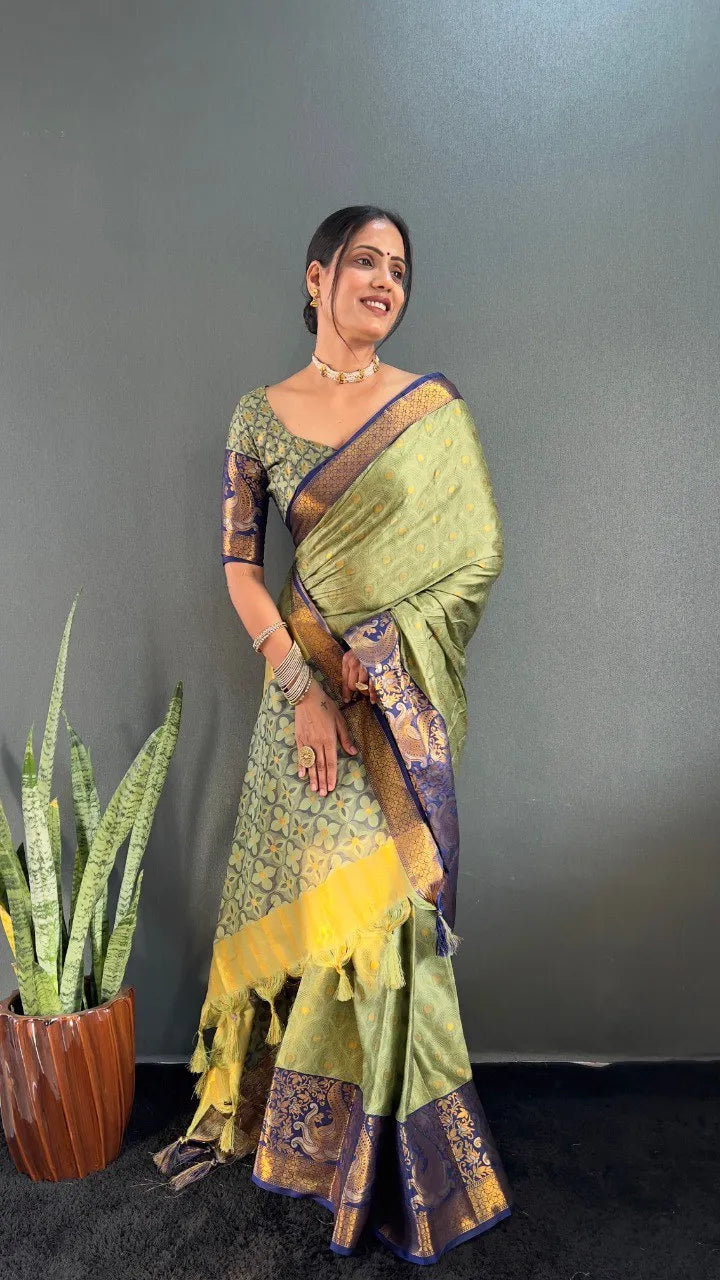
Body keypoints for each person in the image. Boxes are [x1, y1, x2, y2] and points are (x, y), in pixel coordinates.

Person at [153, 205, 514, 1264]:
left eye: (398, 268)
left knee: (389, 925)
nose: (384, 281)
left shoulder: (430, 410)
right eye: (364, 261)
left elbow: (478, 552)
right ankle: (305, 1140)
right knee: (320, 918)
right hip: (302, 706)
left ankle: (391, 1164)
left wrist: (386, 648)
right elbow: (238, 567)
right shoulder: (258, 414)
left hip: (392, 706)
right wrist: (303, 687)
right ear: (316, 278)